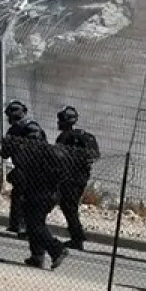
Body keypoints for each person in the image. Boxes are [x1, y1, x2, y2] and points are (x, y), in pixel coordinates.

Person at [0, 98, 67, 268]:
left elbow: (5, 154)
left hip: (37, 184)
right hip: (44, 184)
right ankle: (37, 255)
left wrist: (9, 144)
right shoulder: (35, 131)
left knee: (34, 222)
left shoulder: (17, 132)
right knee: (34, 221)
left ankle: (57, 250)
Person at [54, 106, 100, 250]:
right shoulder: (83, 136)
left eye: (61, 120)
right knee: (69, 206)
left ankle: (77, 237)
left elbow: (57, 157)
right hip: (80, 178)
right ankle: (77, 236)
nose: (58, 122)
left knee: (68, 206)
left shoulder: (64, 137)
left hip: (68, 178)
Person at [2, 99, 33, 236]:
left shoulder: (14, 130)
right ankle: (18, 224)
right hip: (40, 169)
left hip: (24, 169)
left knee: (20, 196)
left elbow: (5, 153)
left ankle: (20, 225)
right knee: (24, 196)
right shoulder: (34, 126)